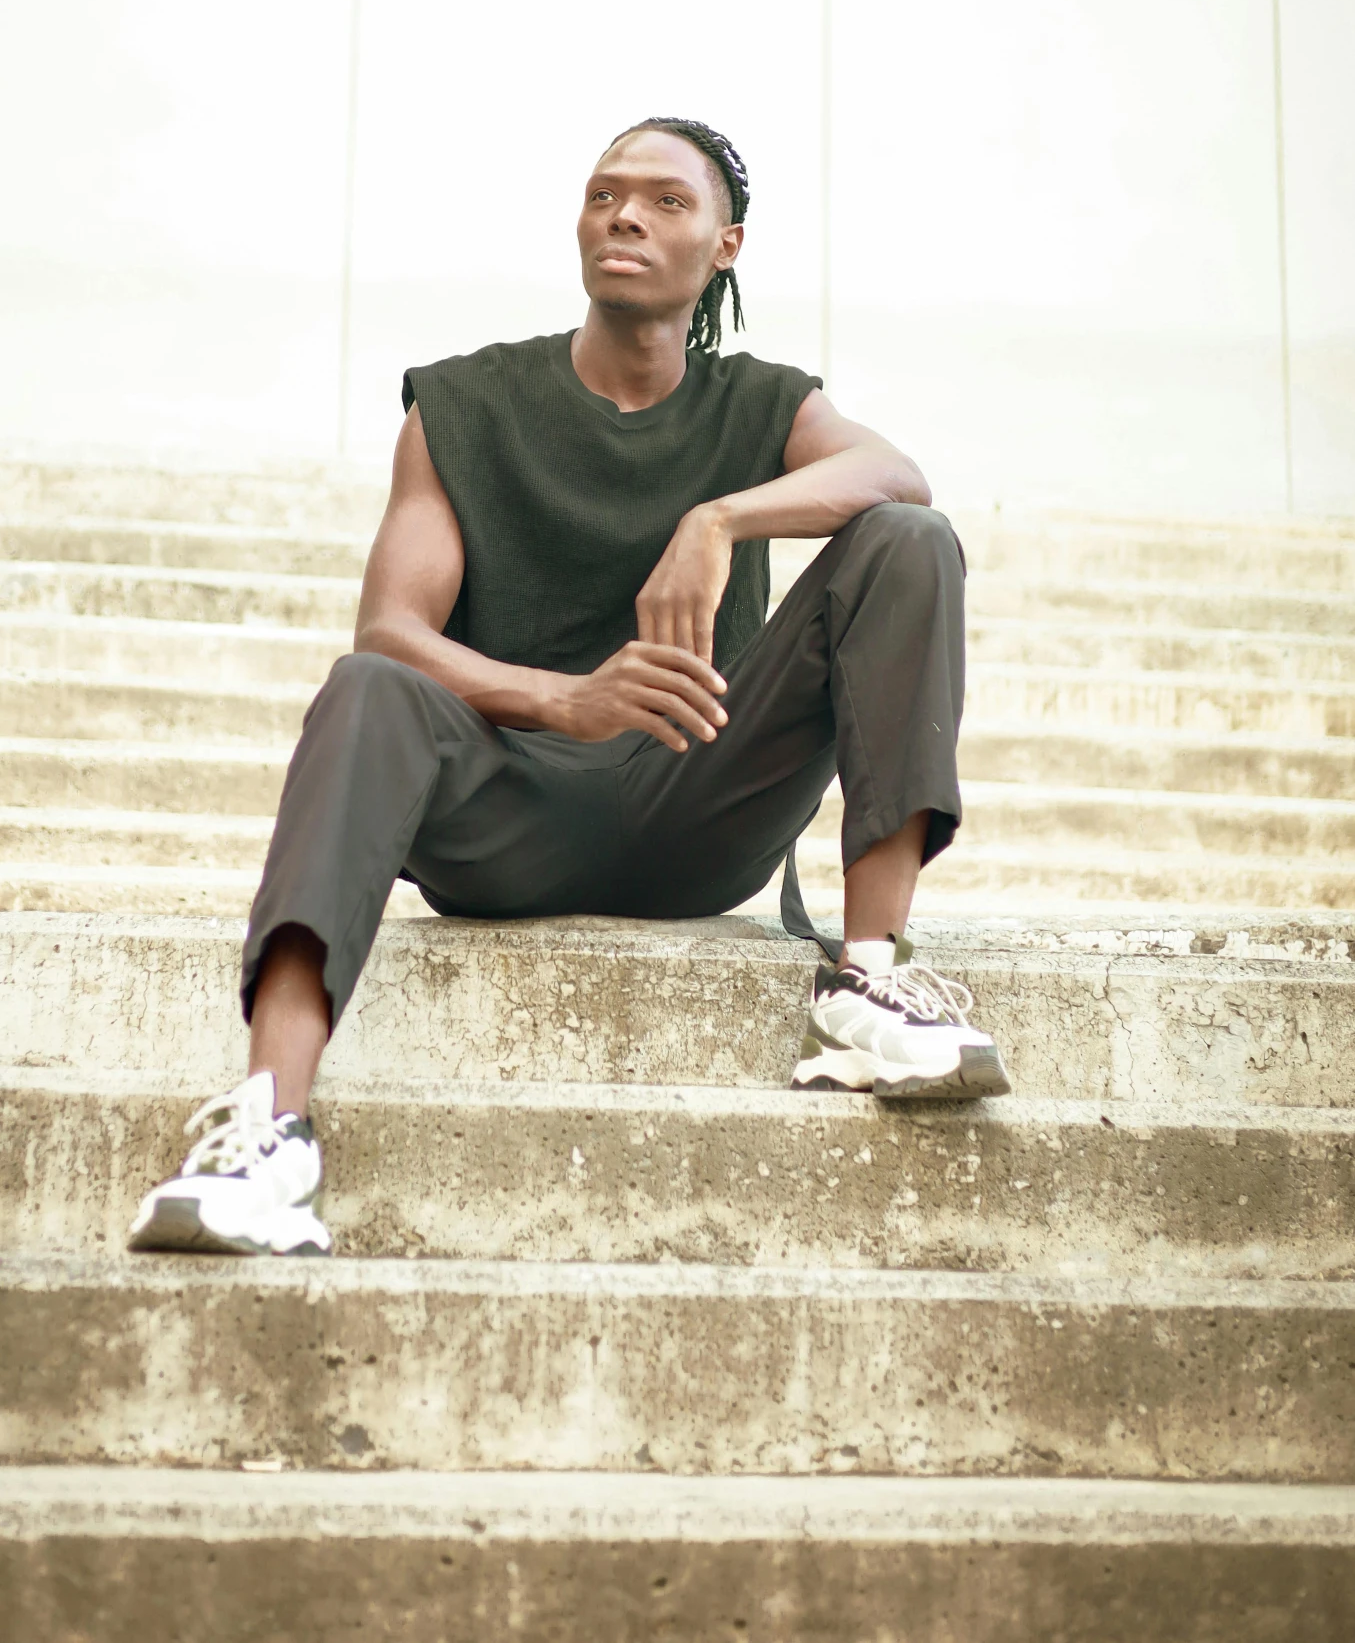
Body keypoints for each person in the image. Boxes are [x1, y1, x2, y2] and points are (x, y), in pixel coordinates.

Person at [129, 118, 1008, 1258]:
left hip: (698, 809)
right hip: (506, 820)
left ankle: (868, 987)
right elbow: (391, 630)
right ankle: (269, 1133)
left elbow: (898, 475)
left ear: (724, 245)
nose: (625, 216)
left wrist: (720, 518)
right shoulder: (465, 405)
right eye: (603, 196)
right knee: (367, 684)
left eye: (664, 202)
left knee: (905, 539)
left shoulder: (761, 404)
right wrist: (563, 699)